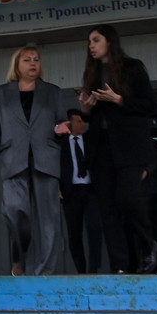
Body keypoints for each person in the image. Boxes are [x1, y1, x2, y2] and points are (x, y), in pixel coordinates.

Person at [0, 45, 69, 276]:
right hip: (13, 159)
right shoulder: (0, 94)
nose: (33, 63)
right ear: (16, 65)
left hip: (46, 159)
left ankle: (43, 272)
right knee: (15, 213)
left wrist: (61, 128)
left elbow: (60, 122)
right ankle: (20, 260)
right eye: (27, 59)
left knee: (48, 219)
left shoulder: (52, 92)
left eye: (36, 59)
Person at [78, 24, 157, 274]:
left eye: (96, 40)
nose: (91, 45)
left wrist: (119, 99)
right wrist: (86, 109)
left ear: (110, 41)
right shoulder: (92, 73)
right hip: (101, 147)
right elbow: (91, 118)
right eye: (89, 42)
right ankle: (120, 265)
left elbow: (149, 105)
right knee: (108, 209)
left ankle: (149, 244)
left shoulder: (133, 67)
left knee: (128, 198)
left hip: (129, 147)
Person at [59, 108, 105, 274]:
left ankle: (94, 268)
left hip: (90, 189)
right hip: (71, 191)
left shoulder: (89, 140)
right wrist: (58, 187)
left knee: (95, 227)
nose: (82, 124)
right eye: (78, 121)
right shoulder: (61, 143)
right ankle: (81, 269)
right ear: (70, 123)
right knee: (74, 232)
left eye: (83, 121)